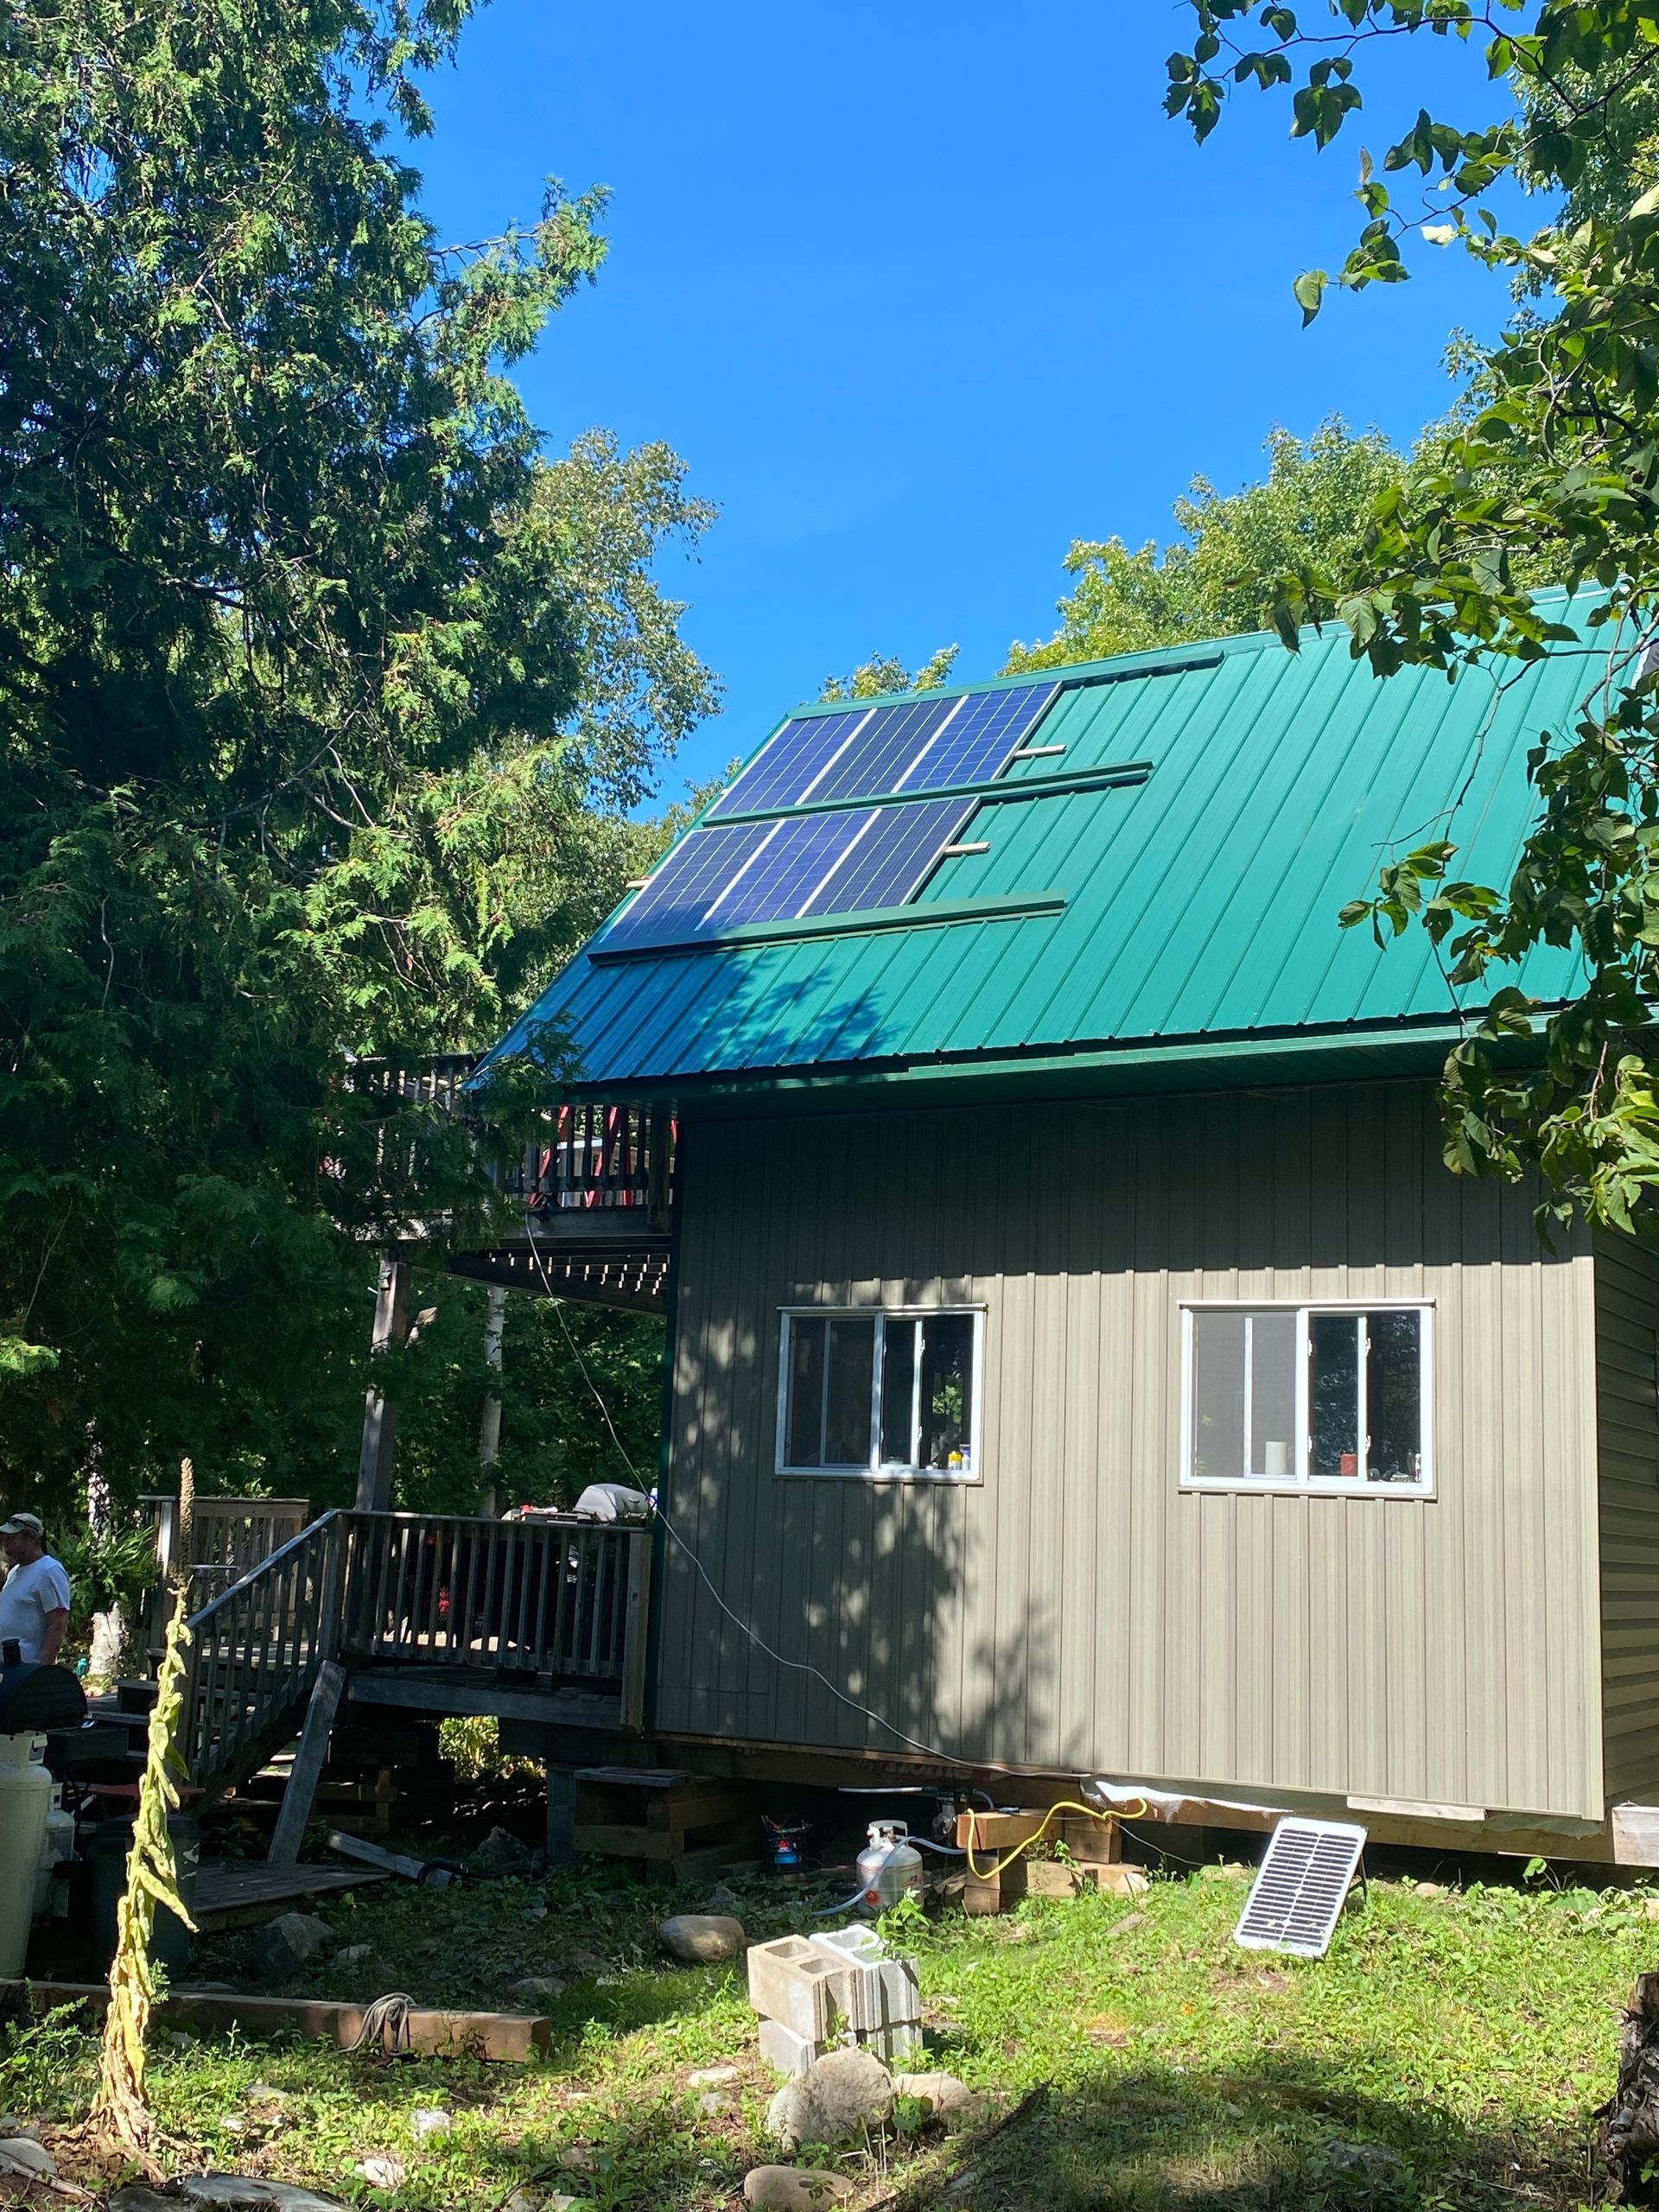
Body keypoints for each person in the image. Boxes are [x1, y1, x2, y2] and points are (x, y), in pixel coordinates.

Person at [0, 1512, 71, 1666]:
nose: (5, 1545)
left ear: (31, 1538)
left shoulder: (49, 1571)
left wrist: (41, 1671)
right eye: (4, 1539)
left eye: (11, 1539)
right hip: (7, 1669)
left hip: (27, 1670)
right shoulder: (14, 1572)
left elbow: (57, 1623)